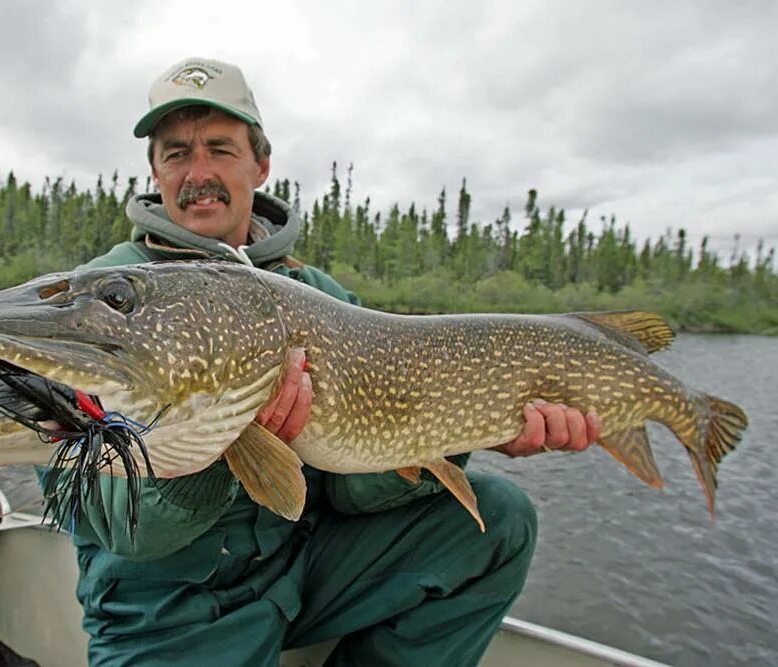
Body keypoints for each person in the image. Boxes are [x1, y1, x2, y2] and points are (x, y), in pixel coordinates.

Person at [47, 56, 601, 666]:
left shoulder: (323, 298)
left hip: (296, 579)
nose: (197, 172)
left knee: (498, 520)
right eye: (176, 152)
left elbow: (354, 493)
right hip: (165, 611)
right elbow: (128, 531)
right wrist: (224, 443)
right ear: (155, 169)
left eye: (220, 149)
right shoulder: (96, 305)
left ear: (261, 164)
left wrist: (471, 426)